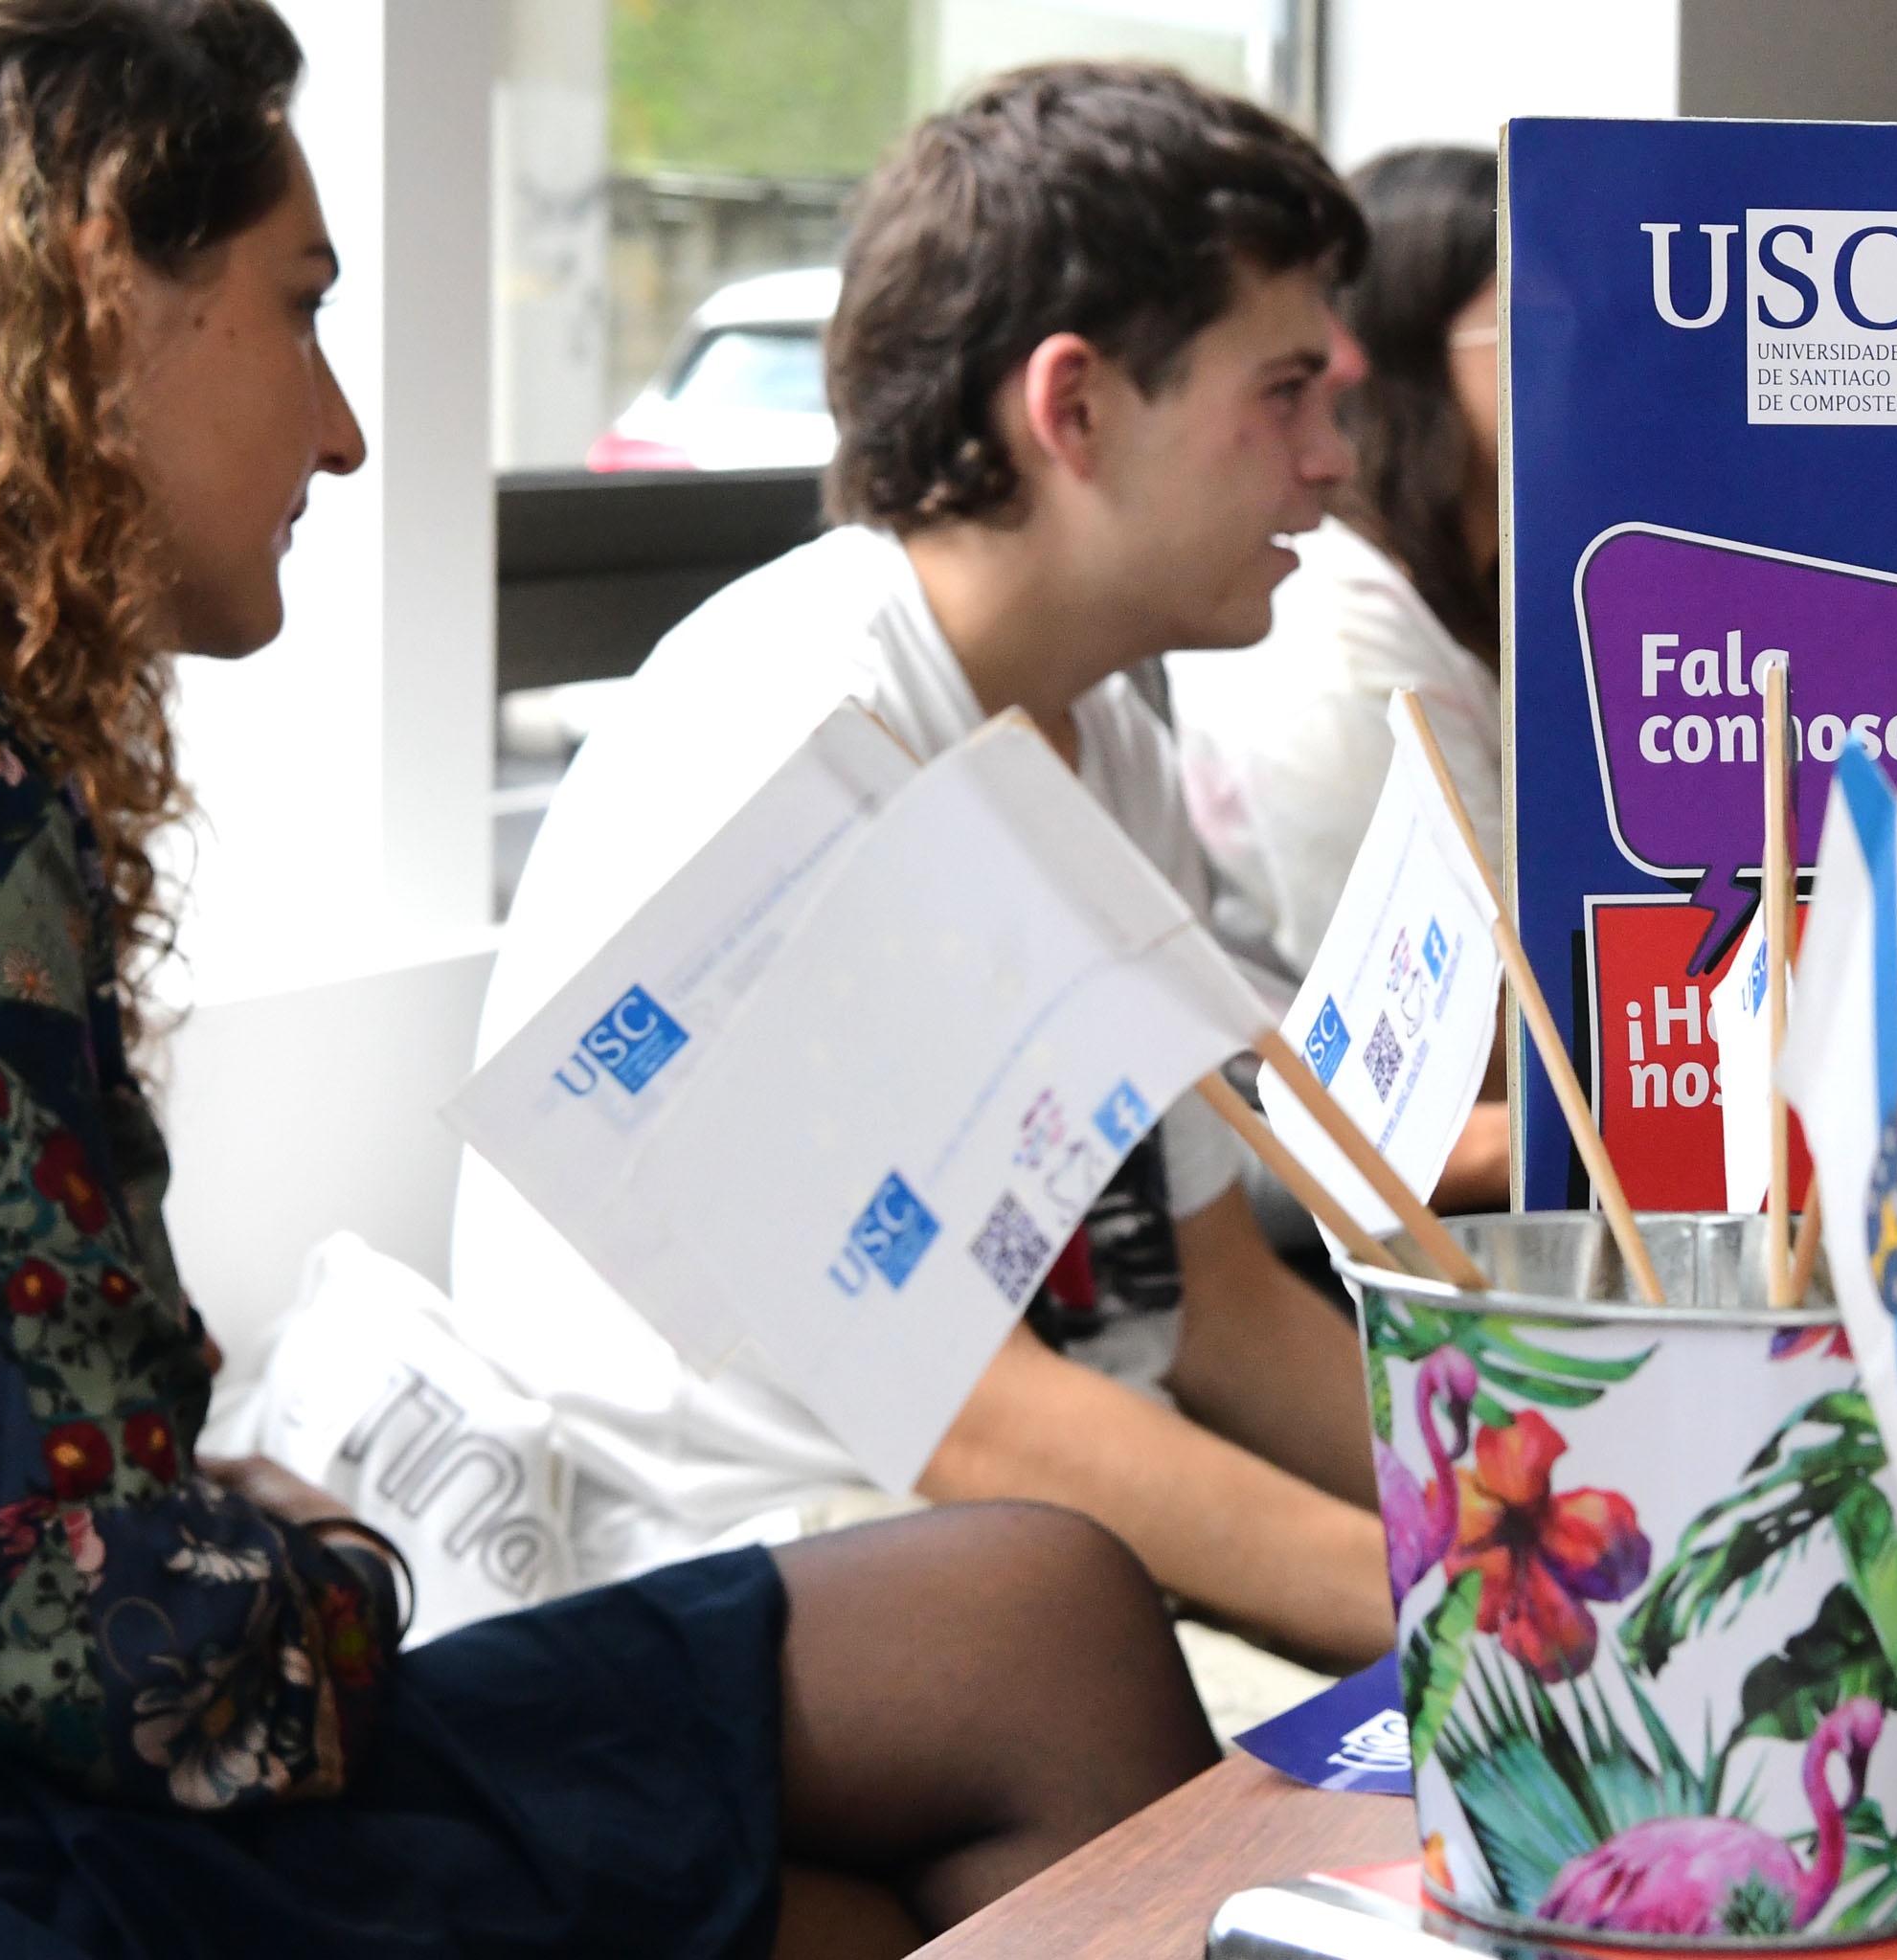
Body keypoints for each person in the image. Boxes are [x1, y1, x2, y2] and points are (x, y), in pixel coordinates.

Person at [0, 7, 1211, 1957]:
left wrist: (227, 1533)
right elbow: (109, 1648)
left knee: (982, 1691)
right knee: (1023, 1647)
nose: (343, 428)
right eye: (301, 307)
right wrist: (327, 1559)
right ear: (92, 298)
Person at [455, 64, 1395, 1673]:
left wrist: (1525, 1506)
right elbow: (965, 1415)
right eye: (1285, 391)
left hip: (1012, 1557)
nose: (1331, 460)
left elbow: (1215, 1303)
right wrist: (1476, 1613)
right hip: (764, 1587)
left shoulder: (1107, 736)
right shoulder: (795, 731)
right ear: (1073, 408)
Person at [1167, 145, 1509, 1211]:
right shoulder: (1327, 624)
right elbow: (1476, 1031)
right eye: (1536, 326)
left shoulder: (1471, 583)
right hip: (1374, 1169)